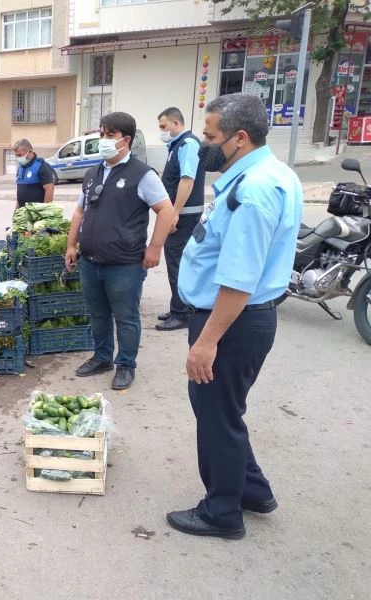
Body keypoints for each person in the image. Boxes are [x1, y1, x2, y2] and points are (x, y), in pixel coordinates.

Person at [166, 93, 302, 540]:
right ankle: (253, 491)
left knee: (215, 418)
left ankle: (221, 512)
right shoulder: (271, 174)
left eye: (210, 136)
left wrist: (207, 341)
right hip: (241, 319)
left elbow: (240, 279)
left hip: (229, 321)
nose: (204, 144)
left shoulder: (254, 190)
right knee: (223, 411)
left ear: (240, 139)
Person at [65, 113, 174, 390]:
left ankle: (126, 364)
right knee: (97, 314)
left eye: (109, 135)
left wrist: (154, 248)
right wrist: (70, 244)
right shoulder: (93, 173)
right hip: (90, 261)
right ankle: (102, 357)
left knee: (126, 317)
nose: (103, 140)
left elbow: (166, 210)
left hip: (125, 264)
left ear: (125, 140)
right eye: (101, 134)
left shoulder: (142, 175)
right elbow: (80, 210)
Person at [155, 107, 207, 331]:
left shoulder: (188, 144)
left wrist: (174, 212)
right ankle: (178, 306)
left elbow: (187, 180)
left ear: (176, 124)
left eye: (164, 127)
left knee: (178, 263)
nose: (162, 132)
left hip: (184, 216)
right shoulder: (176, 146)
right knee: (175, 261)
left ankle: (182, 313)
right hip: (180, 214)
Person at [13, 139, 54, 210]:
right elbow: (20, 194)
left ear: (30, 152)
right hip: (24, 213)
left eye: (20, 155)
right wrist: (16, 213)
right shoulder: (20, 168)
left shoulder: (41, 166)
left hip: (37, 214)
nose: (18, 158)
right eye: (16, 155)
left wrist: (43, 212)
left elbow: (50, 189)